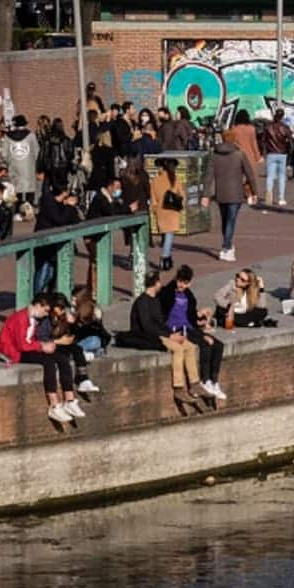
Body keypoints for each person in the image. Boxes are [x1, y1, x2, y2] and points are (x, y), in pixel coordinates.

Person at [118, 271, 211, 410]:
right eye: (159, 282)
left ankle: (195, 384)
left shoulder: (155, 300)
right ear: (156, 283)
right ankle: (179, 388)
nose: (160, 285)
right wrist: (170, 336)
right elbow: (147, 327)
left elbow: (161, 322)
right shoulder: (142, 302)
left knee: (190, 346)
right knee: (178, 349)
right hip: (150, 337)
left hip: (164, 333)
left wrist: (173, 333)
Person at [0, 295, 84, 423]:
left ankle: (69, 400)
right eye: (46, 310)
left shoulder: (35, 318)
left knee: (62, 358)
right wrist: (42, 346)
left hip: (28, 347)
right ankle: (54, 404)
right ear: (38, 305)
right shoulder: (20, 318)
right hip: (14, 352)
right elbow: (21, 345)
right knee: (48, 362)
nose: (46, 314)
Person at [160, 265, 227, 400]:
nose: (181, 286)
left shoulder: (189, 296)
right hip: (178, 330)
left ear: (190, 282)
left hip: (190, 327)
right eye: (180, 282)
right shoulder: (167, 293)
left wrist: (200, 317)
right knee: (206, 344)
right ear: (176, 279)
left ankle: (213, 381)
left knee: (218, 345)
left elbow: (191, 317)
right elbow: (161, 313)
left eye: (185, 283)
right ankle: (204, 380)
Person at [202, 138, 258, 263]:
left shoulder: (214, 155)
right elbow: (250, 174)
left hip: (221, 193)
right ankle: (226, 247)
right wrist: (254, 192)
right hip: (236, 193)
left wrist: (205, 195)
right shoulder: (239, 155)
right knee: (231, 221)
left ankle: (228, 244)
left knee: (225, 221)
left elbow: (208, 176)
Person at [149, 157, 185, 270]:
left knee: (165, 234)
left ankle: (168, 257)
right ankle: (164, 258)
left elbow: (153, 198)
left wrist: (154, 209)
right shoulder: (175, 179)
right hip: (173, 211)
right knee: (169, 235)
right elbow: (182, 195)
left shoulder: (155, 180)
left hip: (160, 210)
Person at [3, 114, 40, 215]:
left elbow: (4, 154)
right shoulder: (31, 136)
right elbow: (37, 152)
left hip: (14, 167)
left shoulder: (7, 137)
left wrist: (10, 161)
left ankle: (17, 213)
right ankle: (28, 212)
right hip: (28, 168)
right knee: (29, 190)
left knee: (16, 190)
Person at [260, 108, 292, 207]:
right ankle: (281, 198)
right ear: (282, 116)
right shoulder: (285, 127)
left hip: (271, 153)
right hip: (282, 154)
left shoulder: (268, 127)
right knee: (282, 176)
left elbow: (263, 140)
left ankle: (269, 196)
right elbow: (290, 141)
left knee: (270, 176)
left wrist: (264, 152)